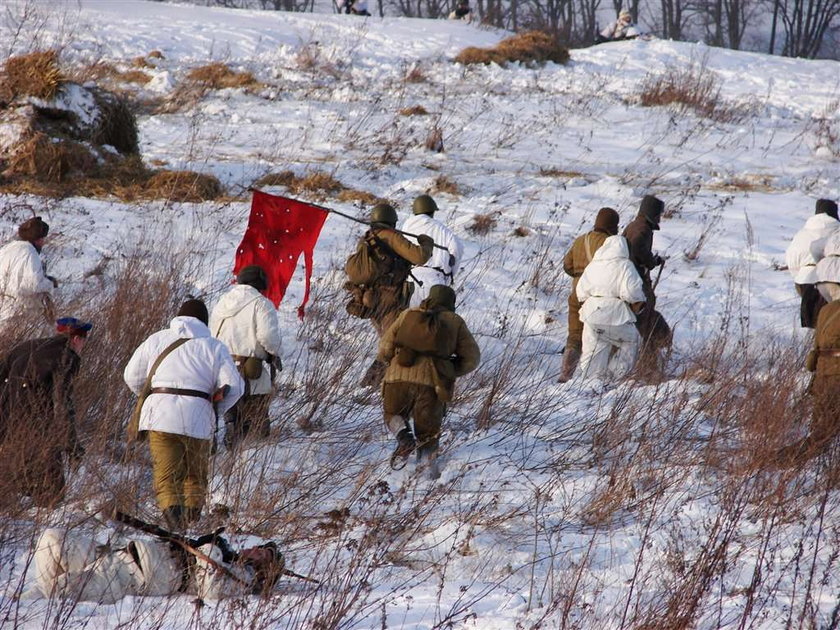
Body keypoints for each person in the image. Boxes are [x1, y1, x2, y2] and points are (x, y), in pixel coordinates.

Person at [123, 299, 243, 529]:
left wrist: (153, 396)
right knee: (195, 478)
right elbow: (235, 387)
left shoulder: (156, 339)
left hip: (160, 417)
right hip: (199, 419)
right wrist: (216, 409)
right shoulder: (214, 346)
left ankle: (175, 528)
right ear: (204, 322)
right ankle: (190, 526)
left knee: (167, 478)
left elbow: (131, 375)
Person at [377, 285, 480, 478]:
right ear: (451, 303)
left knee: (392, 415)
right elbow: (472, 358)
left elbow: (384, 348)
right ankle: (426, 477)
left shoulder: (409, 314)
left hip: (397, 377)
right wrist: (450, 369)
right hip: (432, 383)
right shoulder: (455, 321)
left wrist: (393, 362)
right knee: (427, 434)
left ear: (430, 298)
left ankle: (403, 436)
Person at [29, 526, 285, 603]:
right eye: (259, 547)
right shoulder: (228, 556)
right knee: (51, 537)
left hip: (125, 577)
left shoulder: (242, 578)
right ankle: (31, 598)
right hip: (113, 553)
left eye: (262, 555)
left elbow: (212, 590)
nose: (254, 549)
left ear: (263, 572)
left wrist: (210, 549)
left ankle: (30, 602)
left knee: (54, 593)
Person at [0, 317, 90, 507]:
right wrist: (71, 445)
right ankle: (44, 528)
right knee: (53, 492)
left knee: (11, 483)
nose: (83, 345)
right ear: (76, 339)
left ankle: (17, 521)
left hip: (8, 424)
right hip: (38, 428)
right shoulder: (67, 357)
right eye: (84, 340)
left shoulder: (25, 346)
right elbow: (62, 402)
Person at [345, 203, 434, 386]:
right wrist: (426, 243)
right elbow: (419, 257)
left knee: (391, 342)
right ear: (392, 221)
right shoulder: (391, 237)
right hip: (389, 299)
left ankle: (382, 383)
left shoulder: (368, 239)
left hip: (370, 299)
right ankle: (370, 385)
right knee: (395, 344)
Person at [209, 265, 282, 449]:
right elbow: (268, 337)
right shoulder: (261, 304)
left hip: (222, 366)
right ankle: (250, 449)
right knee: (256, 417)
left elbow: (211, 332)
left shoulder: (222, 301)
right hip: (250, 369)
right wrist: (274, 353)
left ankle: (230, 426)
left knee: (230, 402)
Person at [776, 283, 840, 465]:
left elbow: (813, 357)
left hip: (823, 378)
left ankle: (778, 459)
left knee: (821, 435)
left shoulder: (827, 310)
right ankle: (780, 461)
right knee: (822, 438)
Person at [559, 207, 620, 382]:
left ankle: (565, 374)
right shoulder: (610, 244)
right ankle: (600, 377)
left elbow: (567, 266)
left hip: (576, 293)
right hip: (596, 295)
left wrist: (580, 275)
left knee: (575, 335)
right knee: (604, 335)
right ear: (612, 226)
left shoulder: (580, 240)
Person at [576, 236, 646, 382]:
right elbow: (631, 292)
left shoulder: (593, 265)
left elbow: (580, 292)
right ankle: (615, 378)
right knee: (631, 341)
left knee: (594, 351)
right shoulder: (625, 265)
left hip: (592, 313)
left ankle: (588, 384)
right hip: (616, 315)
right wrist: (641, 299)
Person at [623, 195, 671, 379]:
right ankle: (649, 369)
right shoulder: (642, 228)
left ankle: (647, 367)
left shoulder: (636, 225)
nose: (660, 218)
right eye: (658, 214)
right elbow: (635, 248)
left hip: (632, 281)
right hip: (635, 283)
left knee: (645, 323)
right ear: (652, 213)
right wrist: (650, 261)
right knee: (647, 324)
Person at [401, 195, 464, 307]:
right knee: (435, 322)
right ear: (431, 212)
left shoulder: (406, 227)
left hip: (411, 281)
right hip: (435, 282)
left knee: (411, 321)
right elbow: (456, 248)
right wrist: (450, 276)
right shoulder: (442, 229)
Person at [785, 199, 839, 329]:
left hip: (803, 280)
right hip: (830, 278)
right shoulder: (837, 230)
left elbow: (791, 261)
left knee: (812, 322)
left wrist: (800, 274)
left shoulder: (802, 233)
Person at [0, 216, 57, 327]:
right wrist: (49, 283)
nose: (43, 242)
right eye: (43, 238)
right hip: (18, 314)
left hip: (3, 309)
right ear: (38, 239)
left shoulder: (7, 248)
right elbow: (33, 284)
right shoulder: (30, 252)